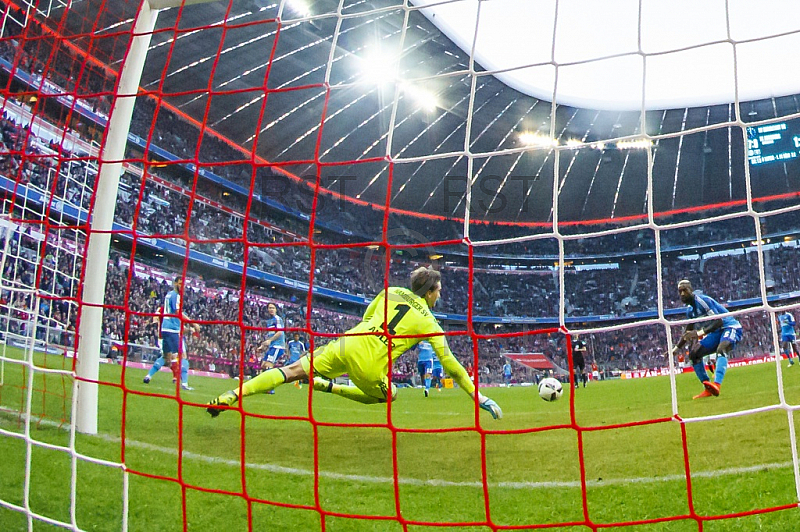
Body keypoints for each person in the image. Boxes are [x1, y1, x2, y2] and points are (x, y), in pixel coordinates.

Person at [207, 267, 502, 419]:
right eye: (438, 291)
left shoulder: (391, 291)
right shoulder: (430, 322)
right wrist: (479, 398)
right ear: (428, 293)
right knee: (391, 396)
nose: (439, 296)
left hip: (348, 342)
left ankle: (231, 395)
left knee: (292, 371)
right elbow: (450, 365)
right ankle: (330, 386)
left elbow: (367, 317)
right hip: (369, 363)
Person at [672, 279, 742, 399]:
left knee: (721, 349)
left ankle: (717, 385)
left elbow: (719, 321)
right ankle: (708, 388)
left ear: (691, 290)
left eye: (685, 290)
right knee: (694, 354)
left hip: (730, 327)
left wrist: (699, 333)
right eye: (680, 291)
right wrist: (676, 348)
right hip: (716, 332)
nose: (682, 294)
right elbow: (688, 331)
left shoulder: (703, 301)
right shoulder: (690, 311)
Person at [144, 277, 198, 390]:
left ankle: (148, 376)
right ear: (175, 284)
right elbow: (178, 313)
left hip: (165, 329)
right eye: (179, 284)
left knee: (165, 356)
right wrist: (193, 323)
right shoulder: (175, 296)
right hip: (173, 329)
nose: (181, 286)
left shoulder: (168, 295)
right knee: (182, 355)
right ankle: (185, 384)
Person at [257, 302, 285, 393]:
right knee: (263, 365)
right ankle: (264, 385)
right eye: (269, 308)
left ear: (276, 309)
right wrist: (263, 345)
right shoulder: (269, 321)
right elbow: (270, 336)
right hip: (272, 346)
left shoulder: (277, 319)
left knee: (269, 366)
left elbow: (280, 332)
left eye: (273, 308)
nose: (271, 309)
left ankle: (270, 388)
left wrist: (270, 341)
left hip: (278, 346)